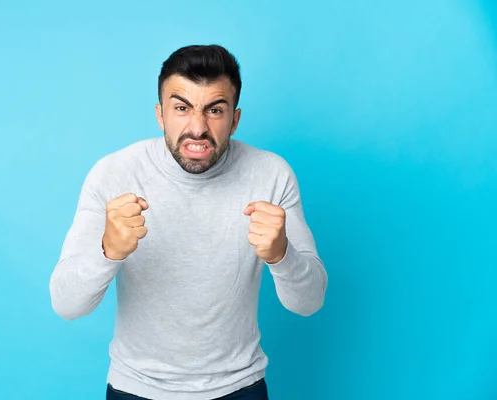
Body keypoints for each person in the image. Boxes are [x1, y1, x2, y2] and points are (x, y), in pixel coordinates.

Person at [49, 44, 328, 400]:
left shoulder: (272, 175)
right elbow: (66, 304)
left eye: (215, 110)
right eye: (182, 108)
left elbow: (309, 302)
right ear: (160, 115)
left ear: (235, 119)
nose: (198, 128)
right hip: (136, 389)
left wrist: (281, 254)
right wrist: (107, 251)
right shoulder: (113, 174)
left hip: (240, 388)